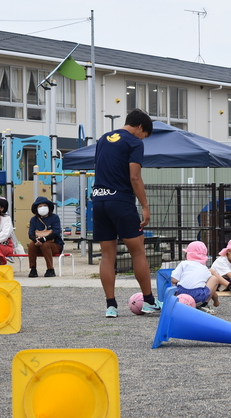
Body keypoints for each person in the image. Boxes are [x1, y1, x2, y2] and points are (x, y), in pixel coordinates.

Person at [92, 108, 160, 318]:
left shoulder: (103, 139)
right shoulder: (133, 142)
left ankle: (111, 306)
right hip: (120, 200)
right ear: (140, 127)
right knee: (137, 250)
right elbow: (135, 177)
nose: (143, 139)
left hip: (99, 200)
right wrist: (145, 207)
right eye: (145, 135)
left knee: (107, 255)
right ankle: (149, 301)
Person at [171, 241, 220, 313]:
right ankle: (203, 304)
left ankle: (176, 300)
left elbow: (173, 279)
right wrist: (216, 301)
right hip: (198, 295)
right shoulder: (204, 269)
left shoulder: (183, 264)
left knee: (175, 282)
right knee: (214, 279)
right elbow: (210, 289)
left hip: (180, 293)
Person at [27, 196, 64, 277]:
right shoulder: (34, 219)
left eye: (45, 205)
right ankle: (33, 269)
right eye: (40, 206)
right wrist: (36, 240)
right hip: (39, 245)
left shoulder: (55, 217)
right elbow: (30, 234)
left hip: (55, 245)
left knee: (45, 245)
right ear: (36, 208)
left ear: (49, 207)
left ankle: (50, 269)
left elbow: (56, 232)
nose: (42, 208)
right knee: (31, 244)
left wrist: (44, 239)